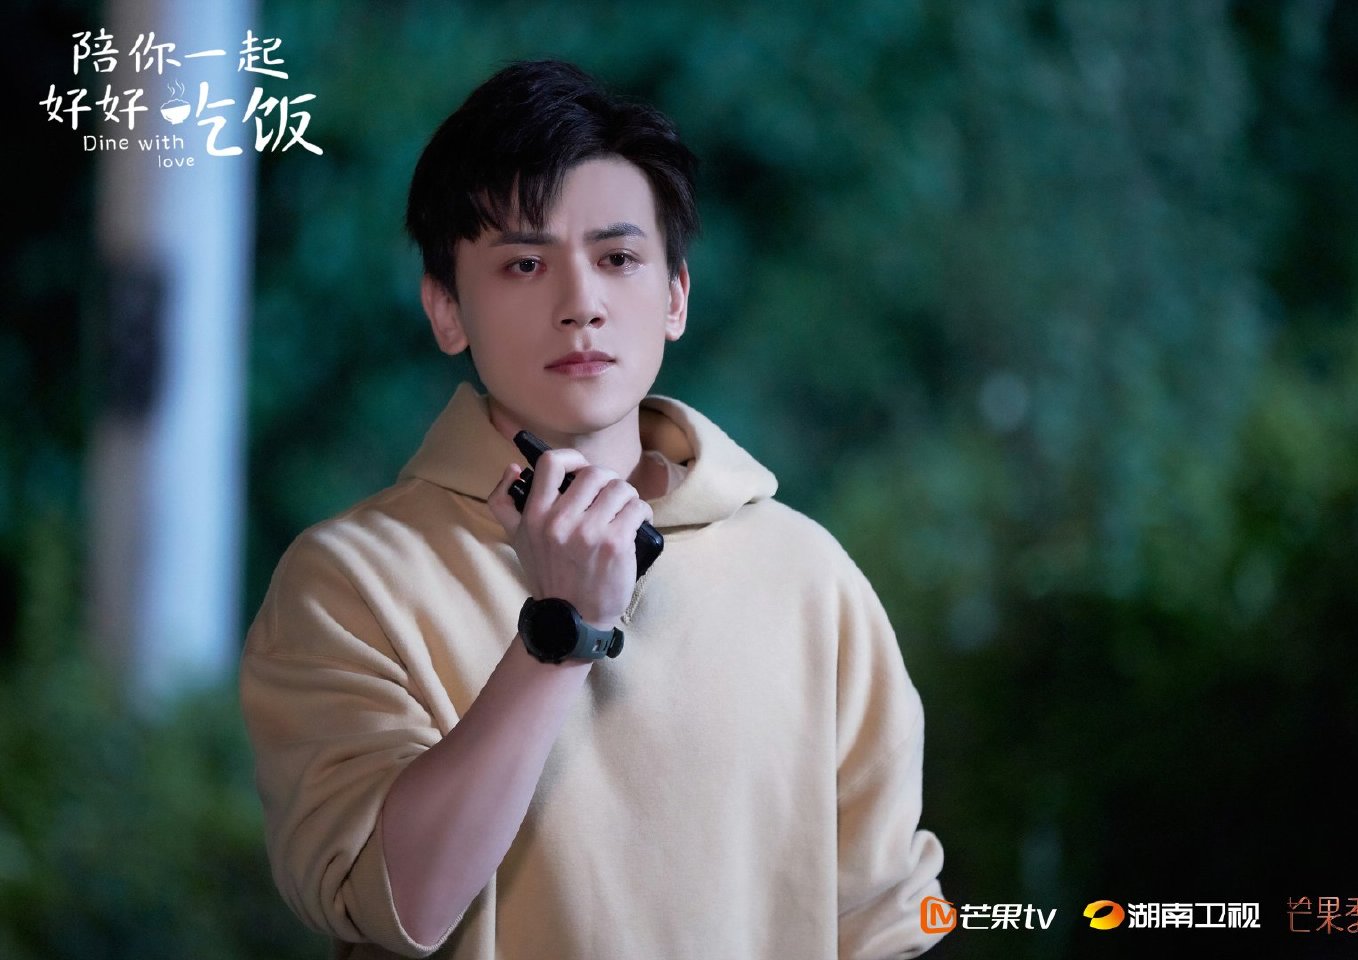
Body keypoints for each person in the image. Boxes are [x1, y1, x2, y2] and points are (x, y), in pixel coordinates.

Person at [240, 59, 948, 960]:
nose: (581, 305)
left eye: (618, 259)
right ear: (446, 309)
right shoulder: (350, 581)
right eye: (524, 264)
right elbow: (396, 907)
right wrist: (561, 630)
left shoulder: (806, 573)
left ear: (675, 295)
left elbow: (889, 923)